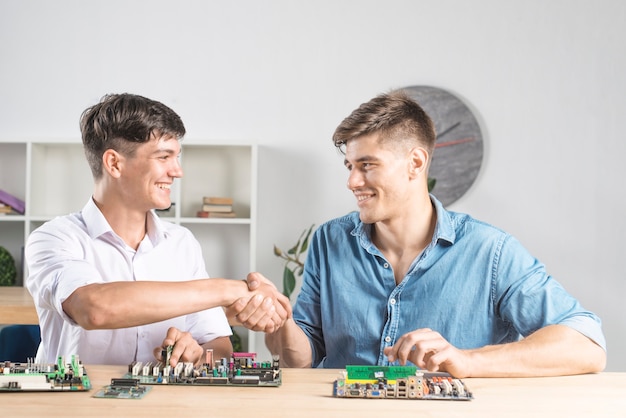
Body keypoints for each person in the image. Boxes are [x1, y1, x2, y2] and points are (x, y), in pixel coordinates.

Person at [235, 90, 606, 377]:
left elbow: (586, 345)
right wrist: (281, 320)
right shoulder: (330, 240)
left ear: (415, 163)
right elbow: (303, 360)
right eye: (349, 165)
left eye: (367, 166)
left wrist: (466, 360)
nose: (351, 181)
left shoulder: (489, 251)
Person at [26, 93, 289, 367]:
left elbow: (219, 348)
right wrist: (230, 290)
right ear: (114, 164)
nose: (177, 171)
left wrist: (196, 355)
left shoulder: (181, 242)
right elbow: (93, 309)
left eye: (177, 157)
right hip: (76, 408)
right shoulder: (53, 238)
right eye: (164, 157)